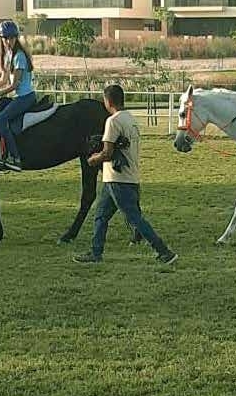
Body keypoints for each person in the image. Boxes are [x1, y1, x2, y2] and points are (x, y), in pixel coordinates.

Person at [73, 83, 178, 265]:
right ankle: (96, 253)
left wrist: (93, 159)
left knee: (135, 218)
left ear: (108, 101)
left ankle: (164, 252)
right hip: (126, 176)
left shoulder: (112, 121)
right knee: (101, 216)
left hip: (118, 179)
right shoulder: (131, 119)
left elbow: (107, 153)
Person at [0, 19, 36, 172]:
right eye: (6, 38)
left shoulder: (19, 56)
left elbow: (14, 85)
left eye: (12, 38)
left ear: (16, 37)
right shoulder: (8, 55)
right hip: (17, 97)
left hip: (25, 97)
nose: (9, 41)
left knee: (0, 121)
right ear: (1, 39)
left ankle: (15, 158)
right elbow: (3, 80)